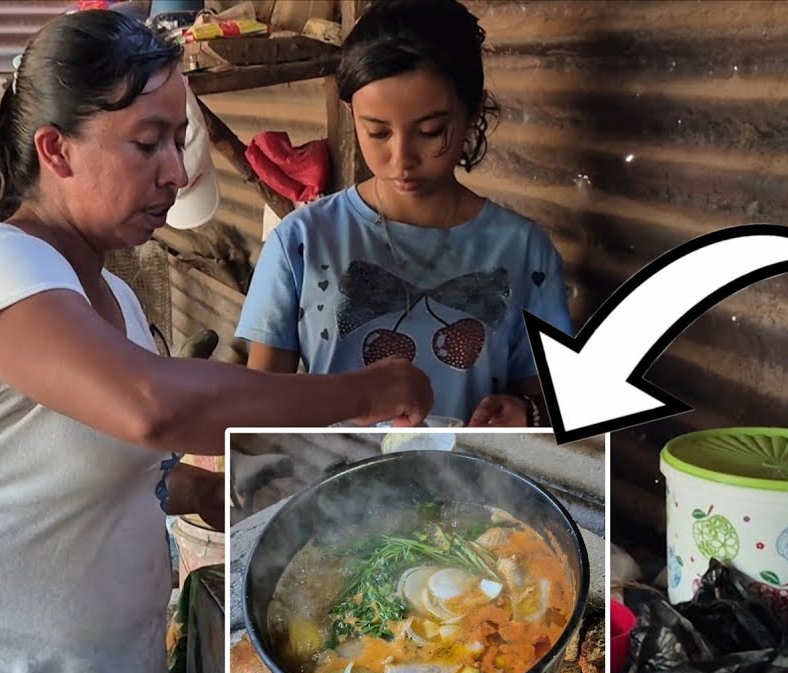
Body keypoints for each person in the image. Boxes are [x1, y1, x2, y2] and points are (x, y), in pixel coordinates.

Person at [0, 10, 433, 673]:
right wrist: (361, 391)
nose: (176, 171)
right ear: (56, 150)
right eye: (148, 143)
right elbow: (152, 407)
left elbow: (63, 474)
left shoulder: (109, 296)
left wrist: (200, 497)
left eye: (179, 139)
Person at [235, 0, 573, 427]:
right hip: (335, 488)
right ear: (351, 115)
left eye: (431, 131)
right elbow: (261, 410)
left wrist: (529, 413)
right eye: (377, 132)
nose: (401, 159)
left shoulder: (524, 251)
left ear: (472, 113)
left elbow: (551, 404)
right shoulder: (302, 241)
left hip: (475, 490)